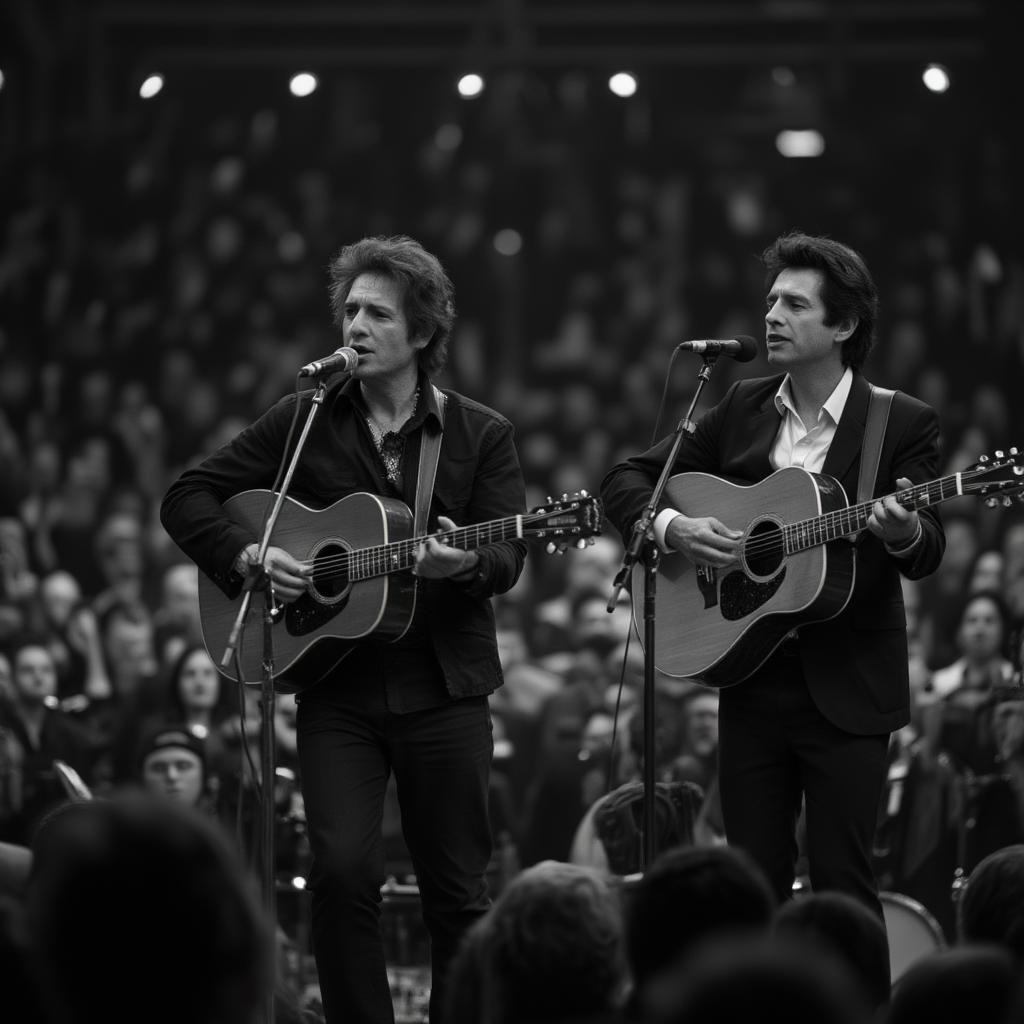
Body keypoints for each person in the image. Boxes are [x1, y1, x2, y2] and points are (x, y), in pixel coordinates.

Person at [159, 234, 528, 1024]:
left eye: (378, 314)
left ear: (422, 333)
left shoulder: (479, 434)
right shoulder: (304, 420)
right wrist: (247, 554)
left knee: (457, 891)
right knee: (341, 875)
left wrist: (459, 567)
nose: (355, 326)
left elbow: (507, 553)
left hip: (445, 686)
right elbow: (187, 495)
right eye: (350, 309)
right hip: (336, 688)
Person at [601, 232, 946, 920]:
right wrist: (677, 529)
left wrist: (905, 530)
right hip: (750, 676)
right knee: (750, 886)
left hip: (849, 688)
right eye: (770, 301)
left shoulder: (899, 421)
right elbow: (628, 478)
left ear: (844, 325)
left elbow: (928, 547)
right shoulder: (743, 406)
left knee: (844, 887)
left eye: (794, 304)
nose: (771, 316)